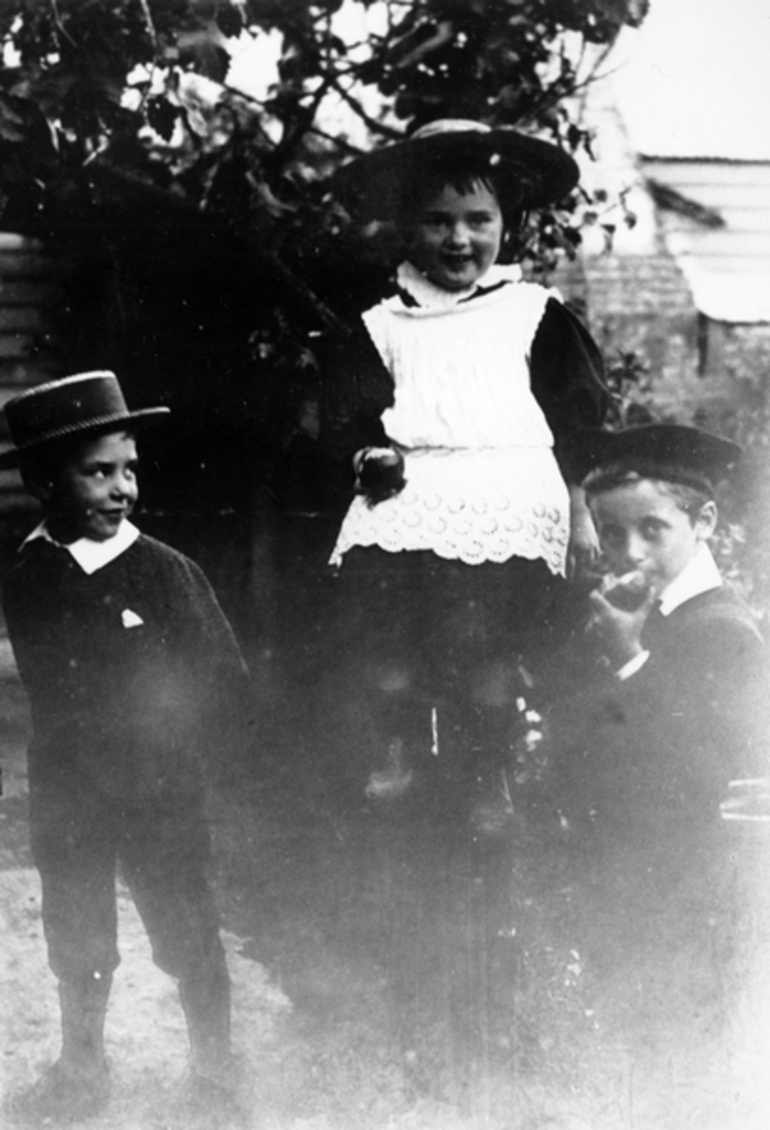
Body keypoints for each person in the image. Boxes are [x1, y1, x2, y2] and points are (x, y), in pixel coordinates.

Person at [320, 118, 608, 809]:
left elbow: (578, 417)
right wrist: (368, 453)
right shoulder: (383, 324)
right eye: (437, 220)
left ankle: (488, 769)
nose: (458, 239)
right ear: (406, 226)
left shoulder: (533, 313)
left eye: (478, 219)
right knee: (384, 638)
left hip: (507, 497)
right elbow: (347, 418)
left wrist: (580, 507)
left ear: (506, 224)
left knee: (480, 646)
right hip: (411, 493)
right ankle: (397, 743)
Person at [1, 372, 251, 1125]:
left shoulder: (167, 574)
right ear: (48, 481)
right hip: (70, 785)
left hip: (158, 786)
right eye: (98, 471)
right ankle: (83, 1066)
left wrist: (179, 745)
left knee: (185, 922)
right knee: (77, 930)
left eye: (129, 469)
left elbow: (224, 681)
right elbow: (45, 676)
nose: (121, 489)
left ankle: (215, 1067)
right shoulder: (30, 572)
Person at [528, 423, 769, 1084]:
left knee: (680, 1071)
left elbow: (696, 774)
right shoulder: (639, 616)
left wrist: (631, 661)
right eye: (610, 535)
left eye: (652, 530)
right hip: (630, 893)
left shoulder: (725, 632)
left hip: (691, 904)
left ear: (704, 522)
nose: (628, 552)